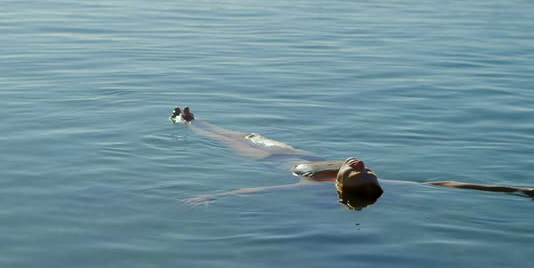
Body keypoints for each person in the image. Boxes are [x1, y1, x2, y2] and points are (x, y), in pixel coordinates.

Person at [172, 107, 534, 209]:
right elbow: (448, 184)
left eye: (353, 170)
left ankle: (191, 124)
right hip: (295, 153)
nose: (360, 164)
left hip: (267, 160)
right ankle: (201, 119)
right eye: (368, 171)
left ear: (340, 183)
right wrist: (512, 188)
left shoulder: (315, 185)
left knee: (234, 139)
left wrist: (214, 196)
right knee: (248, 131)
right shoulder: (369, 185)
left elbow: (258, 192)